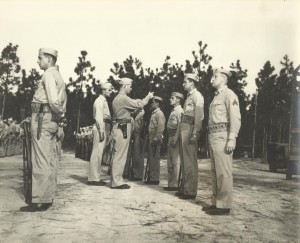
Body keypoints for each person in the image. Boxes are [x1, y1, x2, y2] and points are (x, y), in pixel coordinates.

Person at [20, 48, 66, 212]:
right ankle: (47, 197)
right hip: (50, 119)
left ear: (49, 59)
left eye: (40, 58)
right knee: (48, 158)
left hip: (42, 119)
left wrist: (58, 114)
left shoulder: (48, 75)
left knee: (40, 159)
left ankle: (39, 200)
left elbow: (53, 101)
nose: (38, 61)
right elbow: (62, 101)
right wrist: (60, 118)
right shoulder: (58, 76)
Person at [204, 68, 241, 215]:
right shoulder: (216, 97)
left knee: (223, 172)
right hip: (213, 136)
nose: (212, 79)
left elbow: (235, 117)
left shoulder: (229, 95)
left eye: (215, 76)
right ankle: (216, 203)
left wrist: (232, 138)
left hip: (222, 136)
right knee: (215, 172)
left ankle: (224, 206)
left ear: (224, 79)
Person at [110, 77, 153, 189]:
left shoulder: (117, 99)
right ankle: (117, 181)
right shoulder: (123, 98)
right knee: (120, 155)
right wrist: (147, 98)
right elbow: (139, 104)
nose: (131, 88)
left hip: (120, 127)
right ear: (124, 86)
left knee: (118, 154)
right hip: (122, 128)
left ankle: (115, 179)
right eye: (130, 86)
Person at [176, 73, 204, 200]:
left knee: (190, 161)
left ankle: (190, 191)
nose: (183, 84)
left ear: (192, 82)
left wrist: (195, 133)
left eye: (185, 82)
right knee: (184, 160)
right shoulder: (189, 97)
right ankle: (185, 188)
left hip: (190, 130)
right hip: (184, 129)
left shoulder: (197, 96)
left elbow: (199, 117)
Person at [88, 82, 113, 186]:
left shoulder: (103, 100)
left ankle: (95, 177)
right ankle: (93, 178)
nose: (111, 92)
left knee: (99, 154)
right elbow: (99, 117)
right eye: (109, 90)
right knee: (97, 154)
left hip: (104, 126)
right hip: (100, 127)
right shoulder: (99, 101)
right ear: (103, 90)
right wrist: (101, 131)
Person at [163, 92, 184, 191]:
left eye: (173, 98)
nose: (170, 99)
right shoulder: (173, 111)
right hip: (170, 136)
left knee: (176, 162)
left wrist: (176, 138)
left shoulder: (180, 111)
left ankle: (175, 184)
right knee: (170, 162)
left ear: (178, 100)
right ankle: (171, 184)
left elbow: (180, 126)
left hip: (175, 137)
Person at [144, 96, 165, 185]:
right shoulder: (154, 113)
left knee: (155, 158)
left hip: (155, 136)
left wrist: (156, 138)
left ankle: (154, 178)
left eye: (153, 102)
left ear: (157, 103)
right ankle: (152, 177)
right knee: (151, 158)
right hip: (151, 135)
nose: (151, 104)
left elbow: (160, 127)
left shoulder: (159, 113)